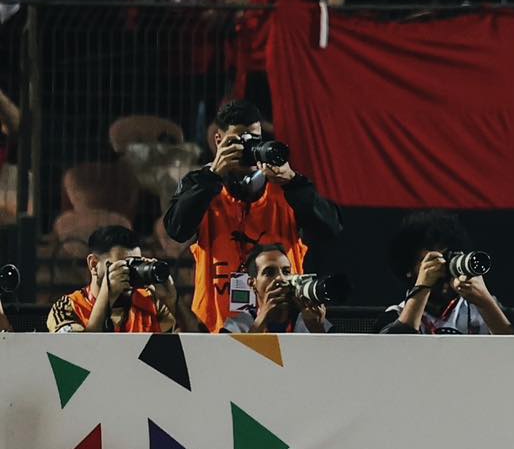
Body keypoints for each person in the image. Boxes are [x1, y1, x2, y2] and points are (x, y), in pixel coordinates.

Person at [164, 98, 342, 331]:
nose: (248, 149)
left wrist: (294, 183)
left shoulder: (285, 188)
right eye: (238, 141)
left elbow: (331, 229)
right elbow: (176, 229)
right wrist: (213, 176)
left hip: (283, 333)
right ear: (218, 141)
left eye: (254, 141)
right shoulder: (202, 185)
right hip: (216, 333)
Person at [380, 211, 514, 335]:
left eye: (446, 258)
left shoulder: (484, 310)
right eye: (431, 261)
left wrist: (485, 301)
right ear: (408, 269)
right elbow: (392, 348)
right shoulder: (397, 313)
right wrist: (423, 287)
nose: (441, 268)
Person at [46, 225, 201, 333]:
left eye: (135, 264)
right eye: (123, 265)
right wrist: (105, 296)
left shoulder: (150, 302)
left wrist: (173, 301)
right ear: (93, 264)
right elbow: (78, 353)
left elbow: (195, 350)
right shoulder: (68, 307)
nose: (130, 272)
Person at [220, 243, 333, 334]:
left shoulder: (309, 320)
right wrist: (261, 321)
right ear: (252, 283)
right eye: (269, 273)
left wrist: (318, 331)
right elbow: (233, 356)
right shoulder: (237, 326)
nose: (281, 278)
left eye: (286, 272)